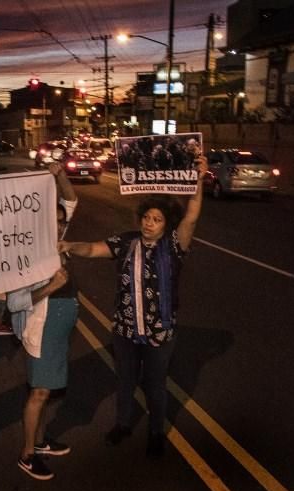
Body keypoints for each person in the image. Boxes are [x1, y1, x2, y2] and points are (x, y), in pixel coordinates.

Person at [58, 156, 206, 459]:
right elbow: (94, 248)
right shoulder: (127, 242)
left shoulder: (174, 246)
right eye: (146, 218)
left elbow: (191, 216)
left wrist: (199, 181)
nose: (149, 224)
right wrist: (71, 246)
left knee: (155, 383)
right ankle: (123, 424)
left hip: (159, 332)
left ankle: (155, 432)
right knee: (125, 380)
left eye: (157, 219)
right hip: (125, 330)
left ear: (167, 224)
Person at [8, 162, 78, 480]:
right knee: (39, 392)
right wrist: (51, 287)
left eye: (62, 222)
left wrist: (59, 172)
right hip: (42, 327)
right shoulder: (27, 253)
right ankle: (26, 453)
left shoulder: (58, 241)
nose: (60, 225)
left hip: (60, 324)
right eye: (54, 221)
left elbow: (71, 199)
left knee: (47, 390)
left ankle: (40, 442)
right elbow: (14, 301)